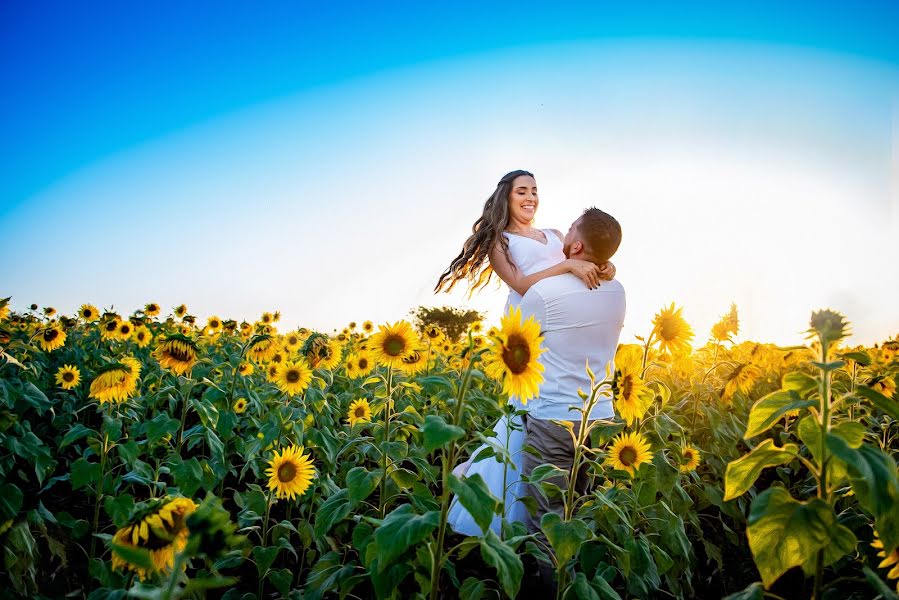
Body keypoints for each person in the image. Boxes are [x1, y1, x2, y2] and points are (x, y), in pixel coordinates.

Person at [434, 170, 615, 536]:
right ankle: (497, 510)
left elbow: (588, 257)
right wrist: (566, 266)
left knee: (548, 407)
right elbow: (519, 283)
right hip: (527, 329)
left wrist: (607, 266)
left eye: (534, 190)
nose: (530, 196)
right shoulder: (498, 241)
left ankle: (528, 505)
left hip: (561, 326)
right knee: (525, 416)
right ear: (506, 196)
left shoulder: (555, 235)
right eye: (522, 191)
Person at [518, 207, 625, 594]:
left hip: (553, 419)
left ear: (575, 245)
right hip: (598, 418)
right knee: (577, 511)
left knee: (546, 521)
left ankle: (547, 590)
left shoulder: (544, 293)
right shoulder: (618, 290)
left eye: (570, 234)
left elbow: (517, 339)